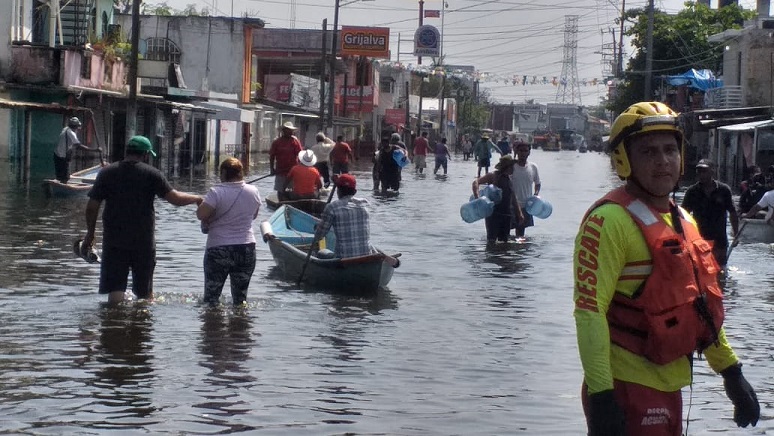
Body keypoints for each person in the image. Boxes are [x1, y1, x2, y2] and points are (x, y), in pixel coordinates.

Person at [573, 102, 759, 436]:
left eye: (670, 150)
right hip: (626, 388)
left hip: (670, 386)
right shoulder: (608, 221)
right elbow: (589, 312)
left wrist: (731, 372)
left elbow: (699, 306)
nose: (663, 161)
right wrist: (602, 395)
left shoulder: (684, 220)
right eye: (648, 152)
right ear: (624, 159)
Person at [82, 135, 203, 304]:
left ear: (127, 152)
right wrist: (197, 198)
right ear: (145, 155)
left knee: (115, 290)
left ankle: (113, 319)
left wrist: (90, 234)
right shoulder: (152, 174)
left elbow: (92, 206)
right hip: (143, 240)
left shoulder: (107, 173)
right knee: (145, 294)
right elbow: (175, 199)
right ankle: (142, 319)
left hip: (114, 239)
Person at [196, 157, 262, 306]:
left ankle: (212, 320)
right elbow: (254, 216)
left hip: (219, 248)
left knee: (211, 298)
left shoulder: (216, 192)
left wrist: (200, 203)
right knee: (240, 299)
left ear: (224, 173)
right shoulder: (253, 191)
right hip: (246, 248)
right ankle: (240, 320)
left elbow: (201, 214)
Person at [681, 159, 739, 267]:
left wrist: (736, 234)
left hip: (719, 239)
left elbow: (733, 212)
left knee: (719, 269)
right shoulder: (692, 191)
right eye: (699, 172)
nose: (701, 175)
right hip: (699, 238)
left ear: (712, 171)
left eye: (704, 171)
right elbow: (683, 215)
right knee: (701, 268)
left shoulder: (724, 190)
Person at [313, 174, 374, 258]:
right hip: (367, 256)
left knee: (321, 252)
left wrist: (317, 227)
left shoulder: (332, 207)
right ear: (354, 192)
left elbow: (319, 236)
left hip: (343, 258)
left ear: (338, 191)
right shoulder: (365, 204)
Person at [472, 155, 523, 243]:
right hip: (493, 215)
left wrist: (519, 213)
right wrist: (477, 197)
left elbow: (514, 198)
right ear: (507, 167)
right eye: (512, 166)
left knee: (504, 242)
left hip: (507, 215)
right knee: (491, 241)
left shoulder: (509, 180)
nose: (513, 169)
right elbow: (476, 182)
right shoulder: (493, 176)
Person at [53, 116, 101, 183]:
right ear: (74, 126)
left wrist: (88, 120)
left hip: (57, 154)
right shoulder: (71, 133)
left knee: (60, 175)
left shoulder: (66, 129)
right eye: (77, 127)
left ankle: (61, 183)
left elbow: (81, 129)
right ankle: (63, 185)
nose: (78, 128)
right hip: (62, 156)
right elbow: (79, 146)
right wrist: (95, 150)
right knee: (65, 177)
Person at [511, 141, 541, 238]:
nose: (523, 153)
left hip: (526, 206)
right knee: (505, 234)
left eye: (525, 151)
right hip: (511, 205)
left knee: (520, 235)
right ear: (516, 151)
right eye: (521, 150)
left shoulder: (533, 167)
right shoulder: (511, 167)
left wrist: (536, 194)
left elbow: (537, 183)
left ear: (529, 152)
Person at [269, 121, 303, 192]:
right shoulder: (277, 142)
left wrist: (300, 169)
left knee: (292, 191)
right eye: (288, 130)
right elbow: (272, 156)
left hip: (293, 171)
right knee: (280, 190)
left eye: (291, 130)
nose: (290, 132)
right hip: (280, 171)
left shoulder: (295, 142)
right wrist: (272, 169)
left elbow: (300, 155)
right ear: (283, 131)